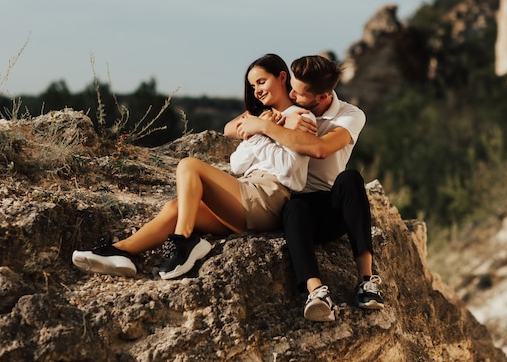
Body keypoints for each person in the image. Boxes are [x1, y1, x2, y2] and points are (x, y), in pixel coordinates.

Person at [72, 53, 315, 280]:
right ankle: (121, 252)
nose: (257, 91)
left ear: (282, 77)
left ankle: (184, 241)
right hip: (246, 195)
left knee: (190, 165)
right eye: (253, 87)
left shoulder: (301, 118)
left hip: (268, 199)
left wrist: (265, 131)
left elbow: (291, 175)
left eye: (261, 82)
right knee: (175, 207)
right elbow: (238, 164)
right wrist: (260, 128)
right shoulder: (260, 119)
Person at [232, 54, 384, 322]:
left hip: (332, 206)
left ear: (322, 97)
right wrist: (262, 123)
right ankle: (317, 293)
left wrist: (266, 127)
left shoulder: (350, 115)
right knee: (294, 206)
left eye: (297, 93)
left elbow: (320, 149)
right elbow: (232, 126)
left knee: (350, 179)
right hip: (298, 209)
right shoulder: (288, 109)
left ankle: (367, 282)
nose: (289, 94)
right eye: (290, 86)